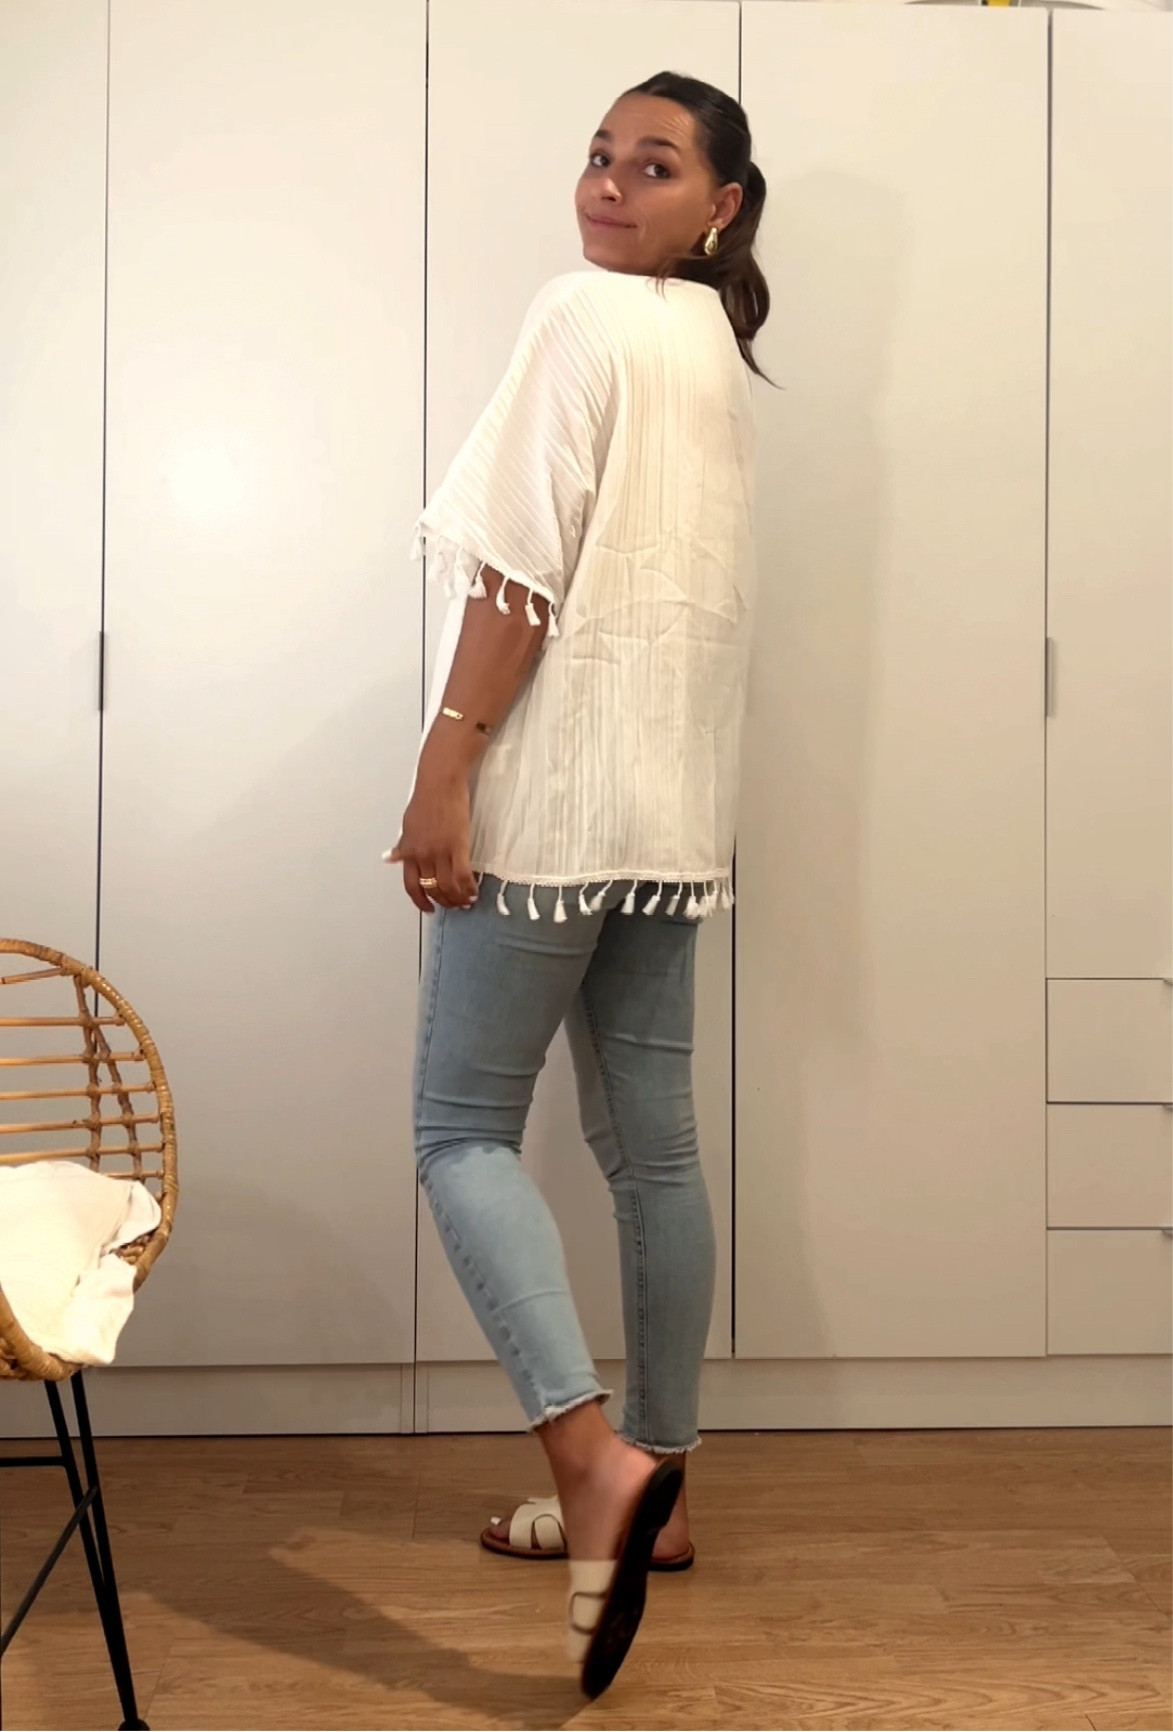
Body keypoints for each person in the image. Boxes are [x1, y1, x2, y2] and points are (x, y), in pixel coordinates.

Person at [387, 68, 769, 1699]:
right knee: (653, 1150)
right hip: (670, 817)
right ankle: (660, 1487)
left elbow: (518, 575)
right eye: (600, 155)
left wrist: (445, 764)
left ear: (719, 205)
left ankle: (589, 1459)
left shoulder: (580, 314)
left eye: (654, 165)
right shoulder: (712, 349)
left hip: (550, 807)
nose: (609, 183)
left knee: (459, 1131)